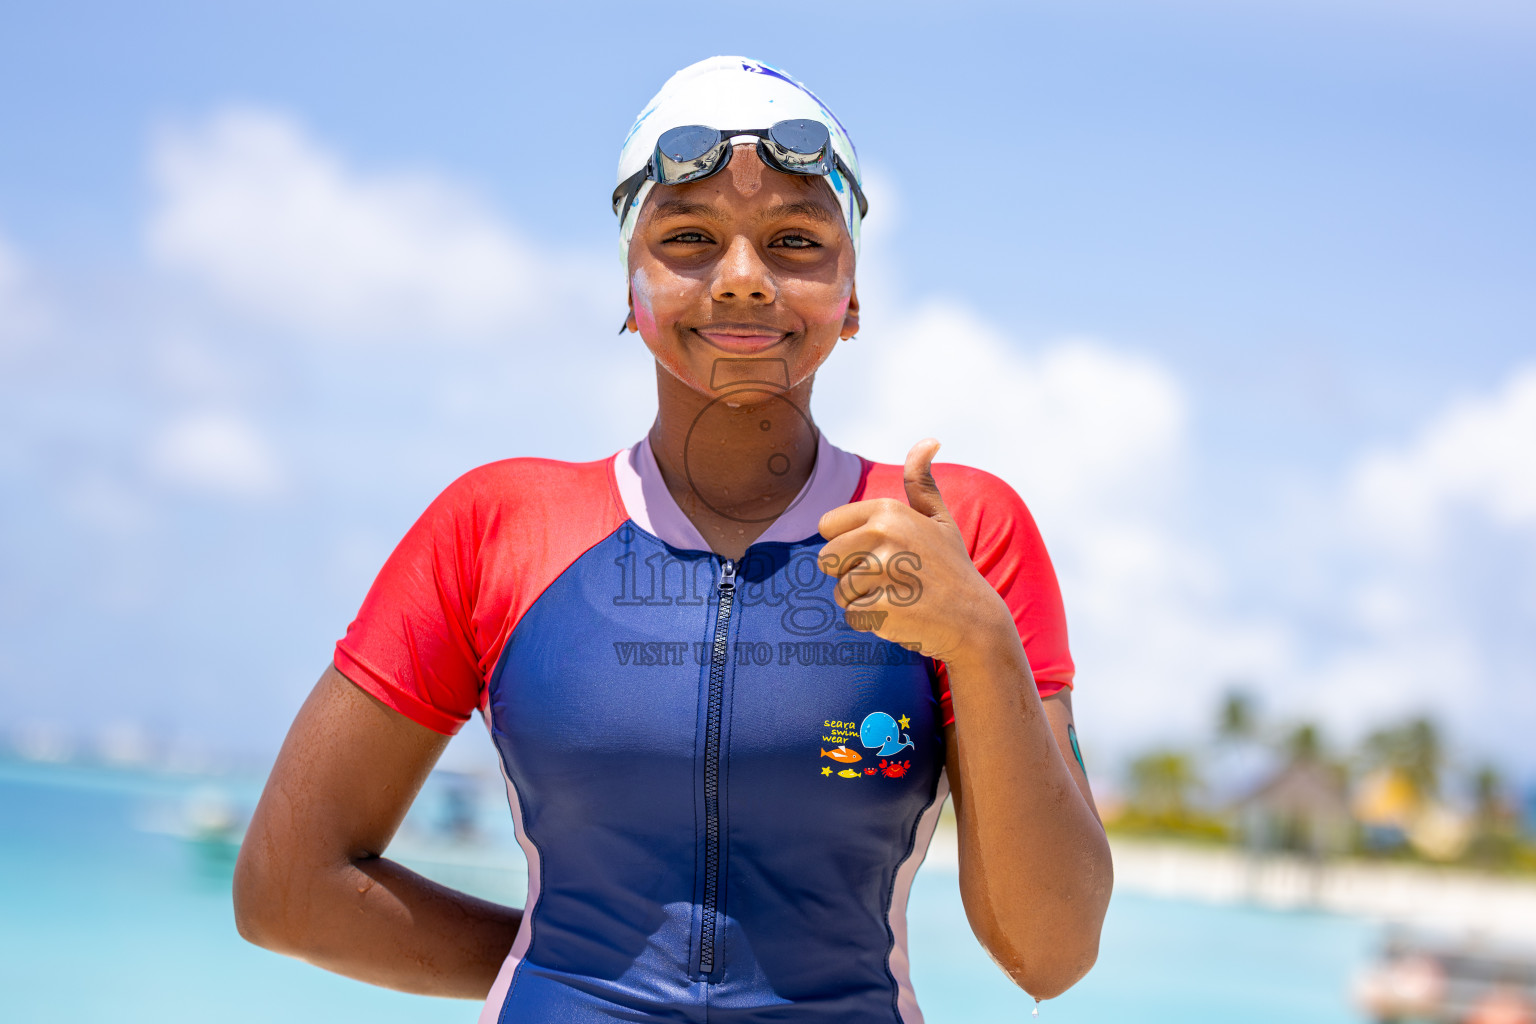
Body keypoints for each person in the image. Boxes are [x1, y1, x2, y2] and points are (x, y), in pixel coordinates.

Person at [233, 56, 1113, 1023]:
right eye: (689, 238)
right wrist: (563, 965)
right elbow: (290, 891)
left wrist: (982, 642)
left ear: (851, 295)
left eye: (794, 240)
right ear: (630, 282)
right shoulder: (497, 530)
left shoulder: (956, 534)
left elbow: (1050, 954)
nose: (742, 280)